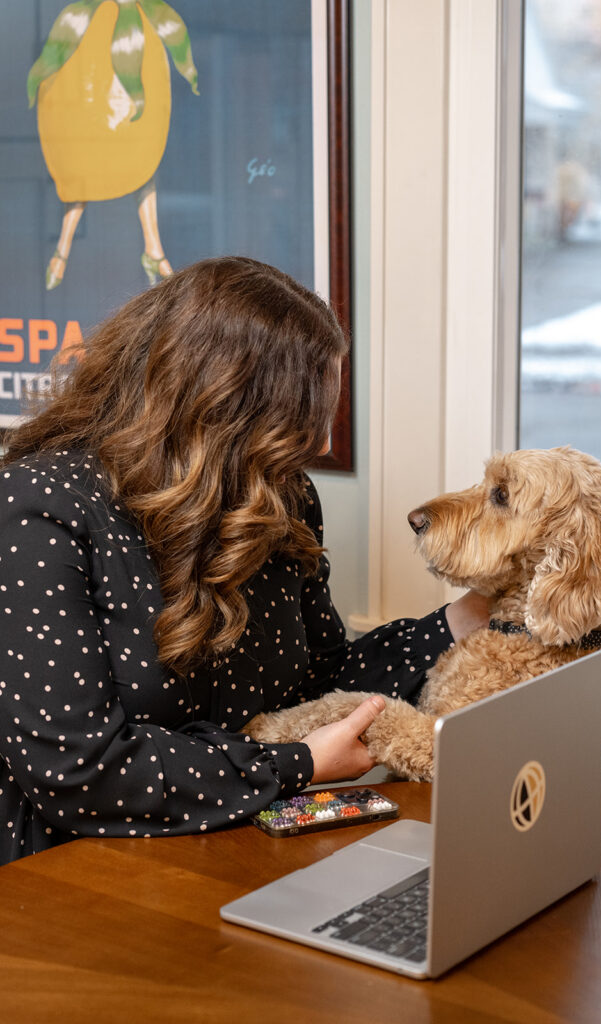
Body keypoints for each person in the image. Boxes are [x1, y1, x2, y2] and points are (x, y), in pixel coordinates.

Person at [0, 257, 488, 866]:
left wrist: (463, 621)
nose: (325, 445)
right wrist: (298, 765)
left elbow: (323, 680)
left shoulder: (278, 495)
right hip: (77, 868)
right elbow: (78, 769)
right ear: (219, 413)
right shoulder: (40, 508)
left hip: (239, 842)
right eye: (300, 423)